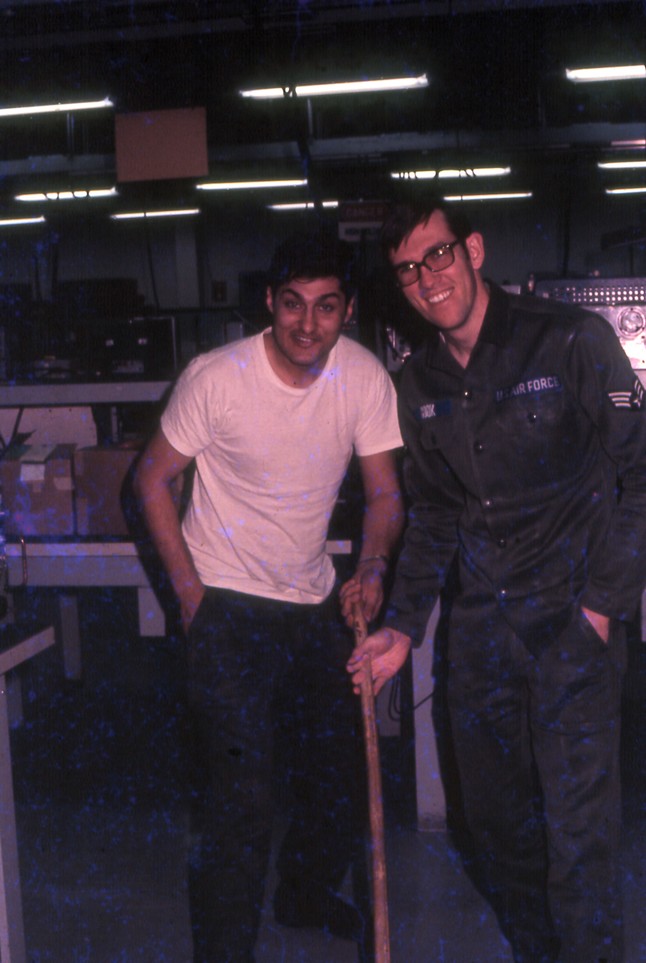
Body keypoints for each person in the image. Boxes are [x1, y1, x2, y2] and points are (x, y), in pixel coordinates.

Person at [345, 194, 646, 963]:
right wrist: (402, 624)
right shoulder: (418, 385)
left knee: (579, 841)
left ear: (473, 250)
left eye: (438, 255)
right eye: (407, 270)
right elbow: (436, 514)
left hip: (572, 629)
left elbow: (640, 473)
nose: (426, 279)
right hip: (480, 637)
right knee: (493, 829)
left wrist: (603, 608)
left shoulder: (570, 339)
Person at [133, 229, 403, 963]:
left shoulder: (363, 377)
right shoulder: (217, 378)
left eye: (326, 306)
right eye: (293, 303)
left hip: (314, 602)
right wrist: (191, 599)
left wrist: (372, 565)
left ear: (348, 309)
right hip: (226, 603)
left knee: (341, 779)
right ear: (269, 302)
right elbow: (150, 480)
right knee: (241, 801)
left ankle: (303, 895)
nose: (307, 324)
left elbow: (384, 492)